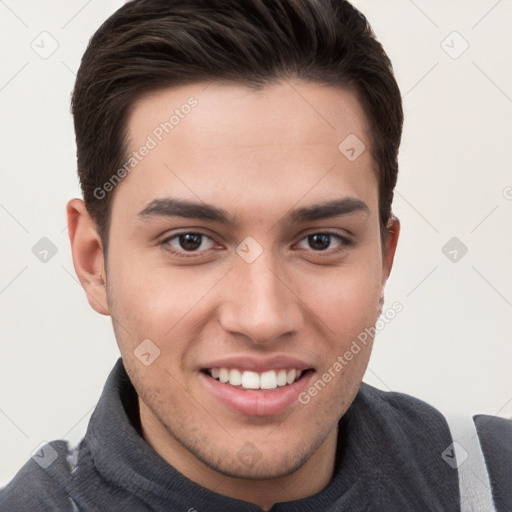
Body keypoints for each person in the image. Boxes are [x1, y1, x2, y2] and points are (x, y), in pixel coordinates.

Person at [1, 0, 510, 510]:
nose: (263, 319)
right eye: (190, 241)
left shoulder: (492, 481)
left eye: (320, 241)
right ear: (94, 261)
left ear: (384, 259)